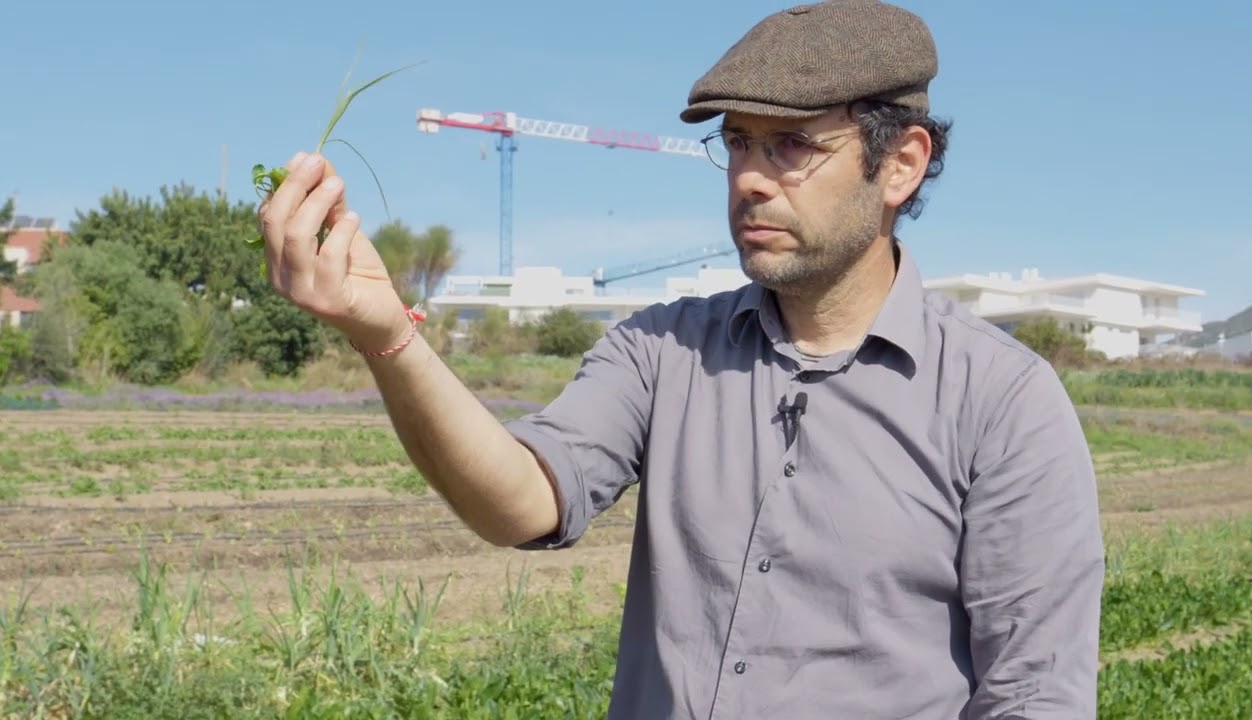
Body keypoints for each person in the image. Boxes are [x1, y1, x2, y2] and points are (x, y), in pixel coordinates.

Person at [257, 1, 1106, 717]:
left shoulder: (1002, 402)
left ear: (901, 165)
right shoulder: (661, 350)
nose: (749, 179)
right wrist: (387, 334)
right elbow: (522, 501)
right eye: (737, 143)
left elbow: (1035, 694)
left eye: (791, 146)